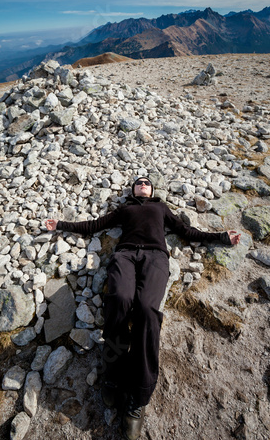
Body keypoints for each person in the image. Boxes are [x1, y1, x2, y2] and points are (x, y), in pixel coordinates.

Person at [46, 176, 241, 440]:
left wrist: (221, 237)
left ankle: (139, 397)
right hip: (125, 255)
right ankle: (112, 375)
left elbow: (185, 231)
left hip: (155, 257)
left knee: (148, 311)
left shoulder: (160, 208)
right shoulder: (125, 209)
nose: (143, 184)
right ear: (133, 189)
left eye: (147, 182)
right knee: (119, 301)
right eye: (139, 182)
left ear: (152, 189)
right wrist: (61, 224)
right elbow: (94, 225)